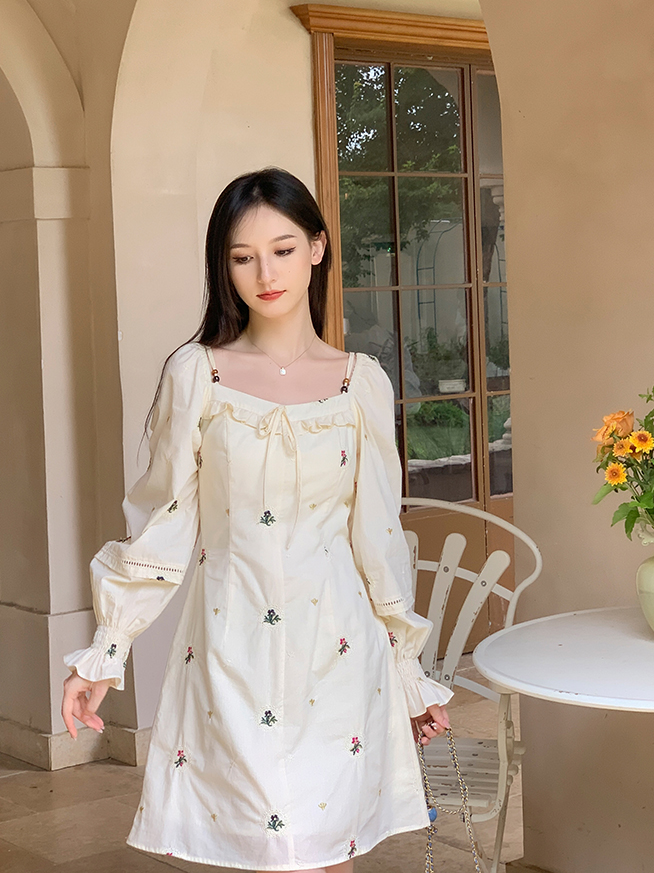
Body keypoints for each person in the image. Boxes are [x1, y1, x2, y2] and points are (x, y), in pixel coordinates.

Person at [61, 168, 453, 872]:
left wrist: (407, 671)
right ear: (224, 265)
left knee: (329, 853)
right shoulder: (197, 374)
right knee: (260, 849)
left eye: (282, 249)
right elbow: (163, 524)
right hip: (230, 647)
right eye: (242, 257)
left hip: (340, 650)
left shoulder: (361, 383)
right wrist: (107, 649)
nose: (265, 274)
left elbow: (378, 539)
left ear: (317, 248)